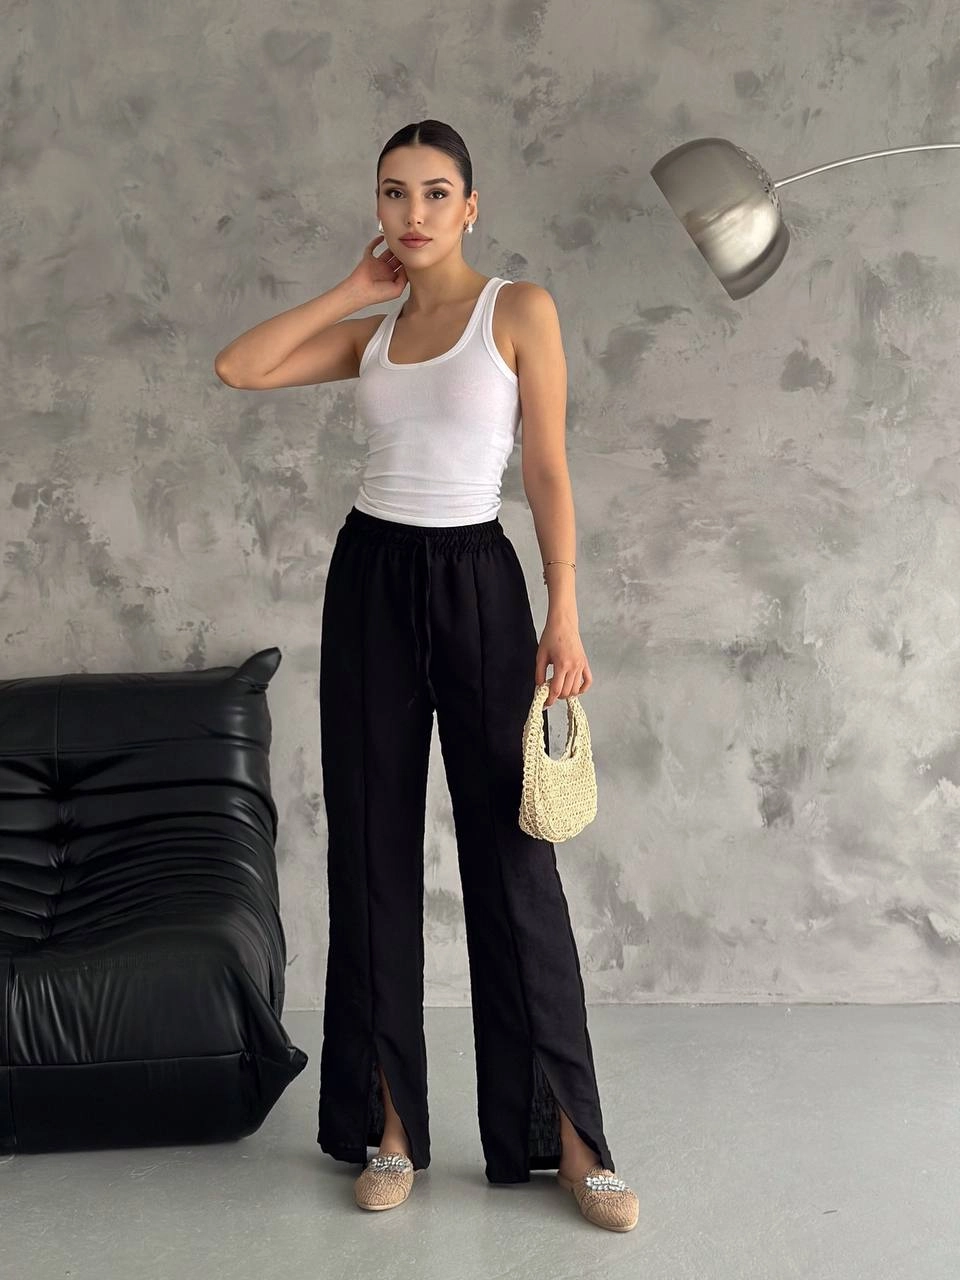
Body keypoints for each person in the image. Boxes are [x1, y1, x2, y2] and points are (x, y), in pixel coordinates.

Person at [214, 119, 639, 1233]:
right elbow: (239, 367)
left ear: (471, 206)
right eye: (395, 193)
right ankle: (390, 1127)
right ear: (379, 207)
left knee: (515, 859)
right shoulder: (375, 332)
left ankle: (571, 1138)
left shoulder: (518, 310)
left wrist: (564, 611)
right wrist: (350, 292)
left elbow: (546, 467)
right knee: (372, 852)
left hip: (480, 583)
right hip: (370, 580)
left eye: (436, 192)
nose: (414, 213)